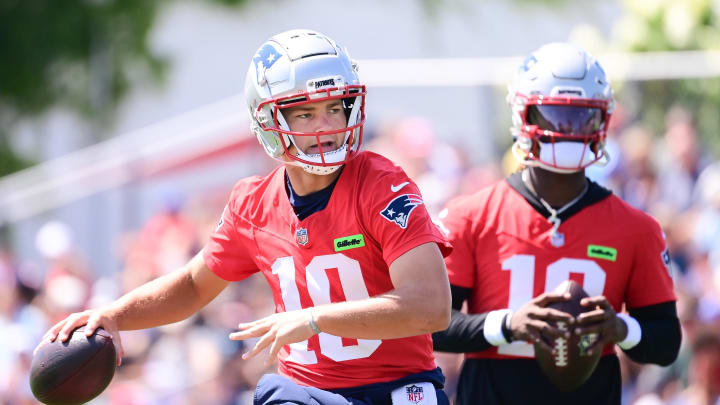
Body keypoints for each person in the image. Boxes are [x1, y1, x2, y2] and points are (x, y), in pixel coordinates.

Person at [39, 29, 453, 405]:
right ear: (270, 120)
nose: (326, 127)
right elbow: (191, 287)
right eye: (305, 114)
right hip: (305, 392)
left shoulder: (382, 186)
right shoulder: (252, 202)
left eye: (334, 108)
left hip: (396, 389)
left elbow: (432, 306)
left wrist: (314, 320)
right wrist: (116, 315)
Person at [432, 43, 681, 405]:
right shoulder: (471, 215)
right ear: (523, 116)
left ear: (603, 121)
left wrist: (620, 328)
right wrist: (507, 325)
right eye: (552, 116)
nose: (568, 130)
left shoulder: (637, 228)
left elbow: (665, 342)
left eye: (583, 117)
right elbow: (432, 323)